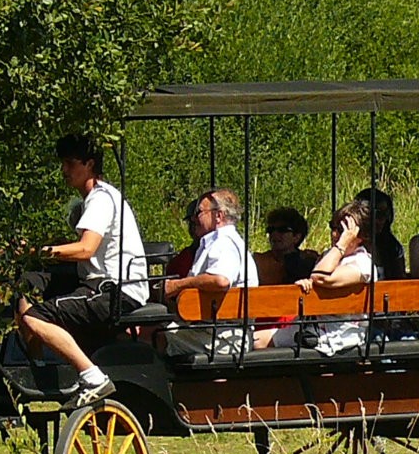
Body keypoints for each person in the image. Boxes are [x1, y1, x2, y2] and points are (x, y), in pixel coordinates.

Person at [16, 133, 148, 410]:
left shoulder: (101, 198)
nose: (64, 170)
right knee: (26, 284)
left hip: (114, 289)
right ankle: (37, 365)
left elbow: (86, 249)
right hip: (98, 281)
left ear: (89, 164)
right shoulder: (96, 197)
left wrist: (38, 252)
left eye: (70, 163)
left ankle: (92, 376)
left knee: (33, 317)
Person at [265, 202, 375, 354]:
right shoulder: (329, 256)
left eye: (342, 230)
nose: (335, 234)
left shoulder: (363, 263)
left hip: (337, 334)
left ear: (359, 236)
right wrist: (307, 283)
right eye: (333, 227)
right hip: (312, 325)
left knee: (258, 343)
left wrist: (342, 245)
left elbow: (321, 277)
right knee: (254, 339)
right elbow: (316, 280)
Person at [162, 189, 259, 300]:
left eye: (199, 213)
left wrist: (177, 285)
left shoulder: (224, 242)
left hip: (223, 316)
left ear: (218, 216)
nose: (194, 219)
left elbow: (220, 280)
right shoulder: (218, 241)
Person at [352, 188, 407, 280]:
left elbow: (400, 280)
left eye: (387, 214)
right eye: (378, 214)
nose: (383, 220)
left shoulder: (392, 247)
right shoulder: (350, 244)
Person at [254, 207, 320, 284]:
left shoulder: (310, 261)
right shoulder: (258, 261)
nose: (274, 234)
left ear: (297, 237)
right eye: (271, 230)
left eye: (282, 230)